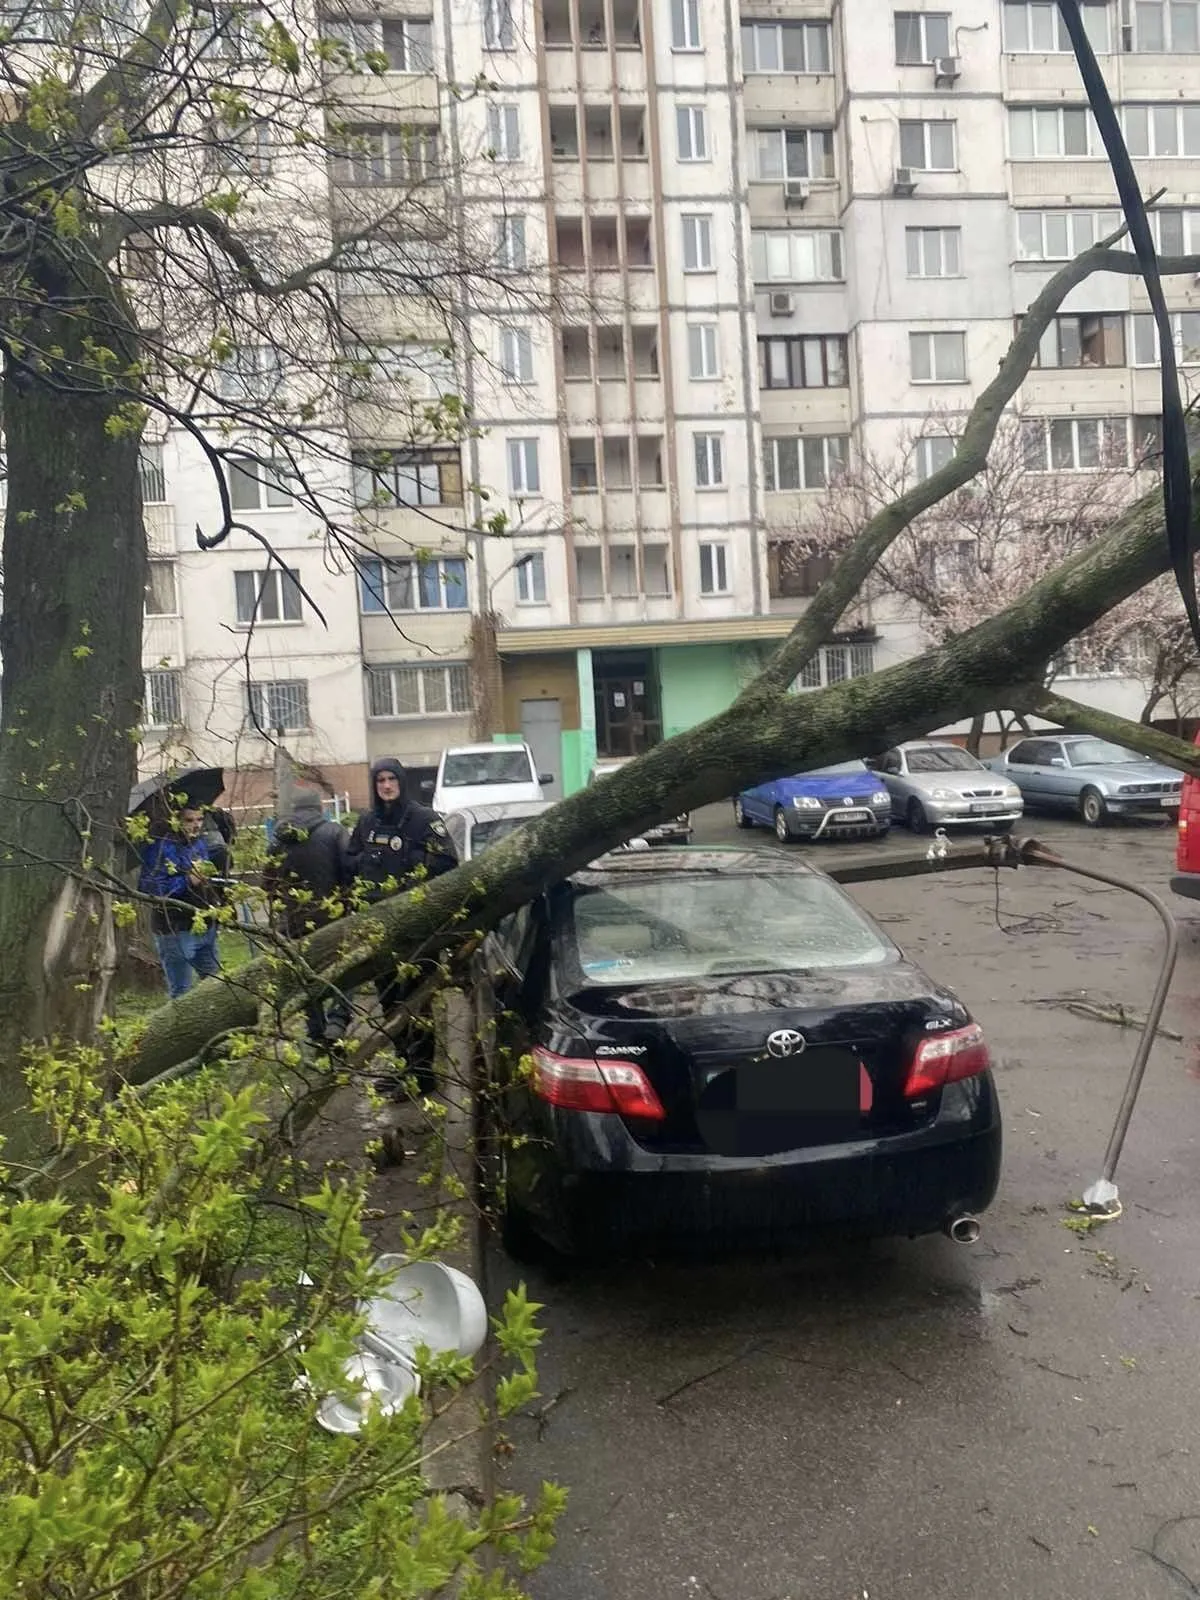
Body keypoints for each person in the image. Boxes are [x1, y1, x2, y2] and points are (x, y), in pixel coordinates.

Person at [347, 757, 456, 1086]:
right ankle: (404, 1064)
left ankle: (423, 1074)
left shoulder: (423, 820)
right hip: (379, 931)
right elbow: (350, 862)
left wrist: (414, 877)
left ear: (401, 782)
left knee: (417, 1001)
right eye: (380, 781)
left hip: (416, 930)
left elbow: (448, 863)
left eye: (391, 779)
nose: (386, 786)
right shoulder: (367, 823)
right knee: (390, 1000)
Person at [263, 789, 353, 1047]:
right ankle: (337, 1019)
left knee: (305, 979)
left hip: (293, 925)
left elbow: (267, 885)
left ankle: (316, 1034)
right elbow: (349, 872)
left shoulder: (278, 839)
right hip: (334, 919)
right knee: (347, 972)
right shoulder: (335, 833)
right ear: (319, 808)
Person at [138, 805, 222, 998]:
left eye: (200, 820)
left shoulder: (198, 844)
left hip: (204, 922)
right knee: (181, 990)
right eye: (189, 820)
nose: (196, 825)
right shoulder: (160, 847)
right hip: (175, 927)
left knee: (215, 984)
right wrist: (187, 880)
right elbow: (151, 887)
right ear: (176, 821)